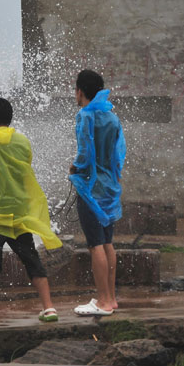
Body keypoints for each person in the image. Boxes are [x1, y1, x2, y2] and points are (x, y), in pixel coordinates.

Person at [0, 94, 62, 327]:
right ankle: (48, 308)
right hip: (19, 216)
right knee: (31, 259)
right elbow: (23, 166)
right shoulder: (23, 142)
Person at [70, 70, 126, 316]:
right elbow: (118, 153)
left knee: (95, 246)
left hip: (90, 188)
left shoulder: (85, 116)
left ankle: (102, 302)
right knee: (107, 243)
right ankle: (111, 298)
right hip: (109, 188)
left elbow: (84, 154)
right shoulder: (112, 118)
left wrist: (74, 167)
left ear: (80, 91)